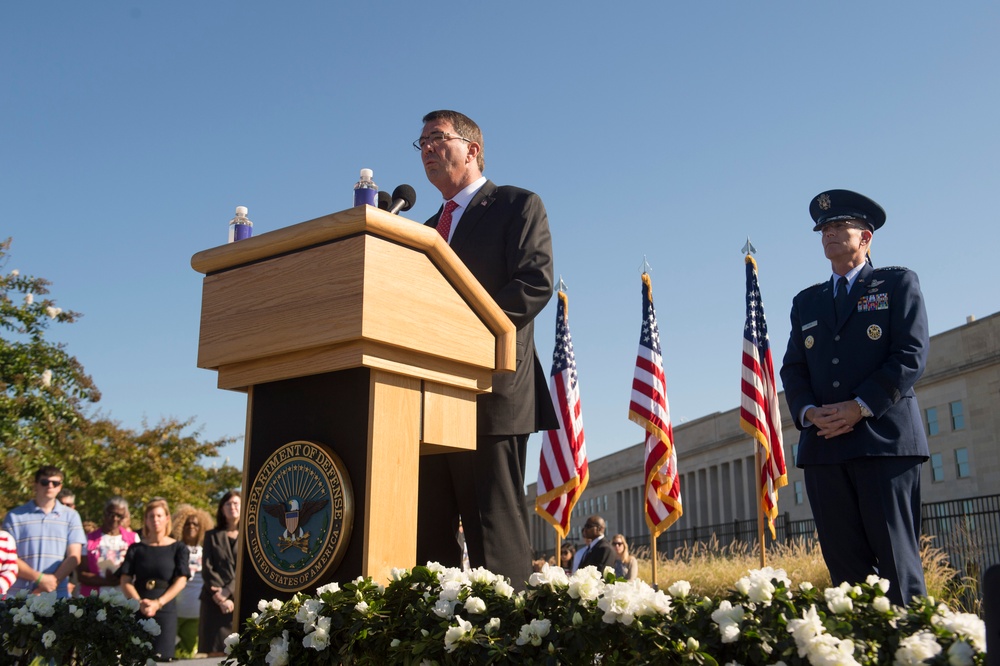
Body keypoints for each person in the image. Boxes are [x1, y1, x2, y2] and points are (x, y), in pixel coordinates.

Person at [414, 109, 557, 588]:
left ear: (472, 149)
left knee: (492, 530)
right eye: (422, 144)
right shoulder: (422, 229)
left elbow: (534, 284)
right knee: (427, 535)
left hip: (490, 389)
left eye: (437, 139)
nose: (427, 150)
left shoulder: (517, 205)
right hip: (428, 396)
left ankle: (511, 641)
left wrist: (461, 329)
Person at [780, 189, 929, 607]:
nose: (828, 234)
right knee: (846, 576)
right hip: (825, 445)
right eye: (823, 228)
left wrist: (859, 406)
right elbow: (794, 368)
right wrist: (809, 412)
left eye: (837, 226)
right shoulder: (806, 301)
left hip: (883, 443)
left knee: (897, 568)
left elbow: (910, 355)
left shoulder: (897, 283)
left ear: (865, 237)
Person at [120, 498, 190, 662]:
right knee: (136, 658)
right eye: (151, 516)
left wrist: (158, 603)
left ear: (167, 518)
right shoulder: (136, 549)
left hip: (165, 609)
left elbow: (181, 580)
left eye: (159, 515)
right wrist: (139, 603)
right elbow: (125, 580)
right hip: (139, 608)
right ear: (146, 520)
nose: (155, 520)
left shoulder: (178, 548)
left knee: (162, 658)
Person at [2, 465, 86, 597]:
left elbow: (74, 557)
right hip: (18, 596)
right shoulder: (14, 516)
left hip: (58, 595)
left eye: (55, 483)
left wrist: (51, 583)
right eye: (45, 482)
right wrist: (40, 578)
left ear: (60, 487)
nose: (50, 486)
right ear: (35, 485)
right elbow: (8, 556)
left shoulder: (72, 516)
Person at [200, 490, 241, 658]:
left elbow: (245, 569)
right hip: (214, 602)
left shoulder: (250, 536)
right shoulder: (211, 536)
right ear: (222, 509)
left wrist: (228, 591)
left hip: (239, 601)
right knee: (216, 652)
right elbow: (207, 568)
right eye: (228, 503)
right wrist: (220, 596)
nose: (232, 507)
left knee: (238, 652)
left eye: (236, 503)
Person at [78, 496, 140, 597]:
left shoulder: (133, 539)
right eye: (111, 514)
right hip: (95, 599)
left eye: (119, 515)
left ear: (125, 516)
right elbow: (81, 574)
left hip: (126, 598)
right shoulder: (89, 539)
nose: (114, 518)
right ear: (104, 513)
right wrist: (106, 581)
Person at [172, 504, 212, 659]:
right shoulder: (174, 548)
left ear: (202, 527)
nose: (191, 526)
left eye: (195, 524)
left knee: (188, 655)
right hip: (174, 609)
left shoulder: (206, 550)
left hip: (196, 611)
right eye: (187, 523)